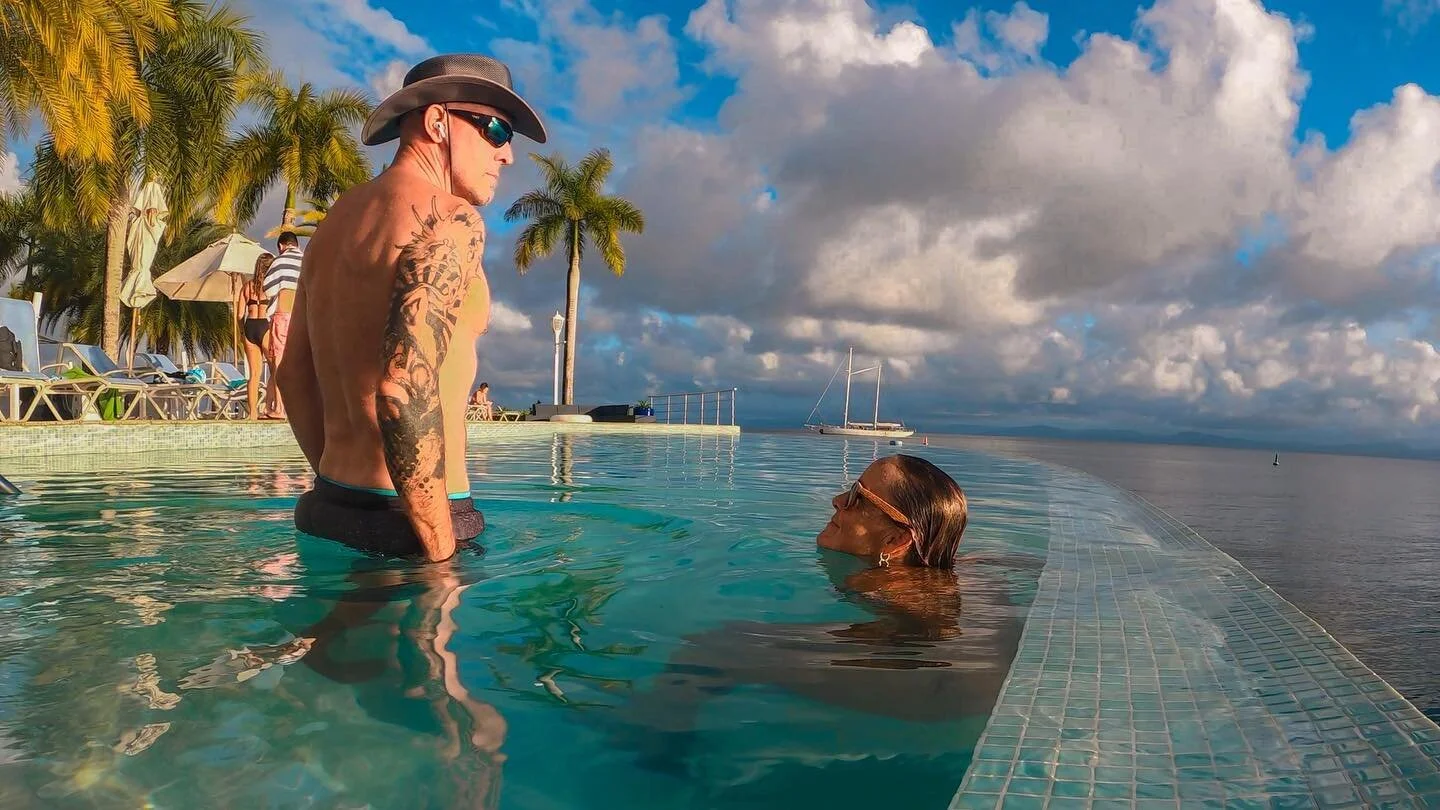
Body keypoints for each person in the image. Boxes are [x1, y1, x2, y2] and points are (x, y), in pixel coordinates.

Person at [607, 454, 1043, 780]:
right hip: (979, 687)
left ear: (894, 539)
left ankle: (648, 762)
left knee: (716, 646)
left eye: (857, 497)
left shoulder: (876, 582)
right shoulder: (963, 571)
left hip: (940, 690)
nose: (838, 501)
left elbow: (928, 640)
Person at [276, 53, 547, 561]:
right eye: (494, 129)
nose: (507, 155)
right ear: (437, 121)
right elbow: (403, 388)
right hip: (415, 528)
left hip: (329, 505)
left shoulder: (333, 225)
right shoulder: (450, 220)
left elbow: (292, 374)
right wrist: (439, 552)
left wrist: (341, 487)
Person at [262, 232, 303, 420]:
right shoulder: (307, 260)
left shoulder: (280, 261)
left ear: (281, 246)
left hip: (282, 316)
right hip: (302, 319)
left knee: (278, 364)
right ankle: (277, 406)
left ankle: (279, 408)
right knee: (298, 363)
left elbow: (268, 289)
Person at [232, 252, 273, 420]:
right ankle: (273, 407)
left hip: (250, 327)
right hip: (265, 325)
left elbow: (239, 315)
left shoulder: (247, 287)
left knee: (254, 374)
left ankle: (253, 414)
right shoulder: (270, 287)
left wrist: (242, 332)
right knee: (276, 370)